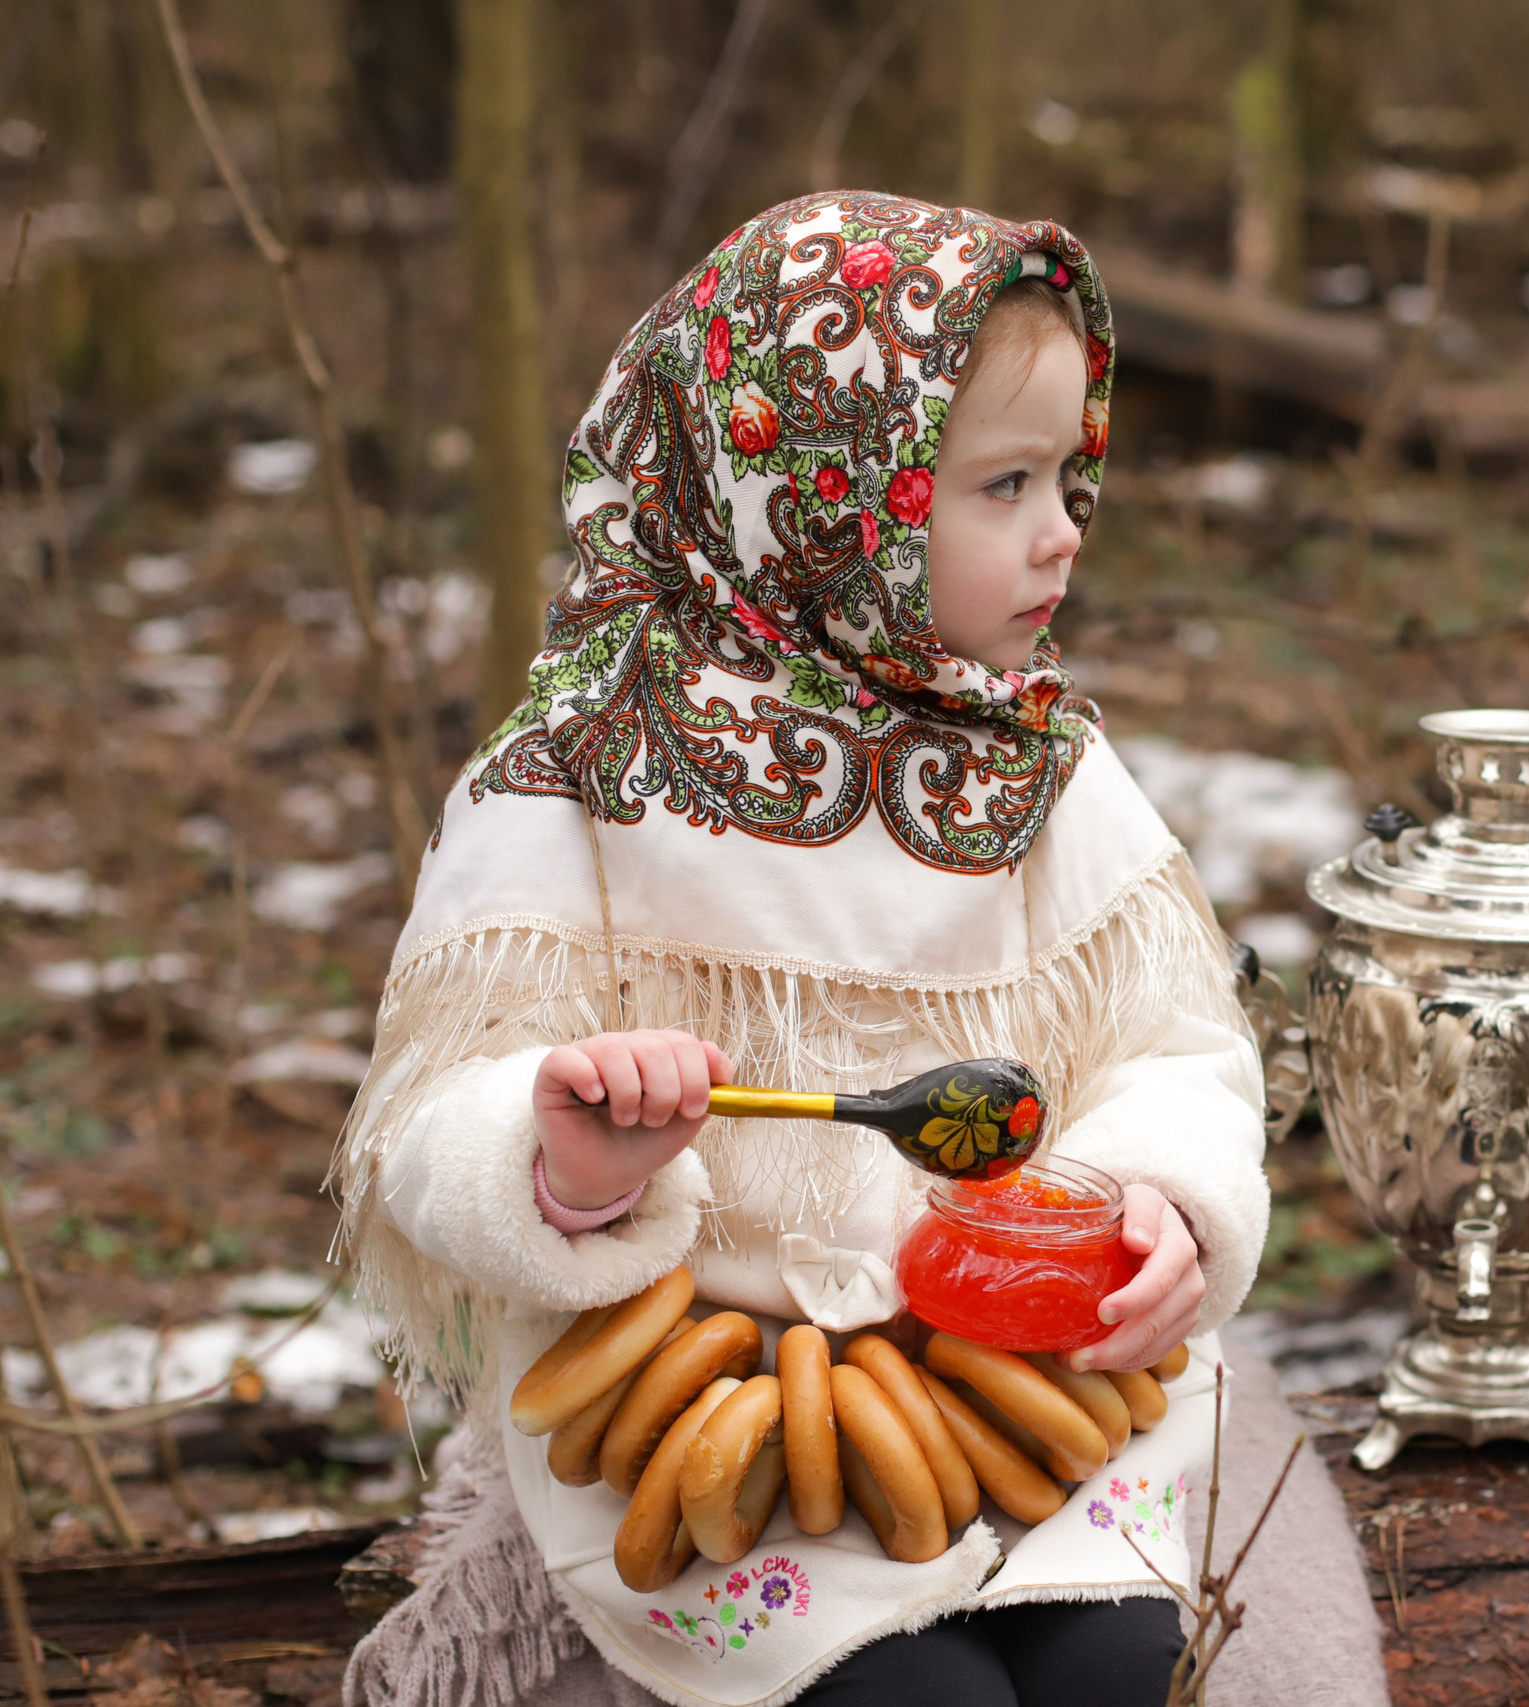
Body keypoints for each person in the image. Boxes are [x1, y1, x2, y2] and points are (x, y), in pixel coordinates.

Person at [334, 192, 1271, 1707]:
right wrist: (567, 1158)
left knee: (1116, 1660)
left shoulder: (1038, 767)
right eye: (1003, 485)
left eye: (1070, 480)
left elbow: (1178, 1048)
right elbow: (430, 1119)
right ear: (832, 496)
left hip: (1015, 1376)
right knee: (914, 1700)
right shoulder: (582, 777)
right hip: (715, 1414)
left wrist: (1165, 1195)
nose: (1062, 534)